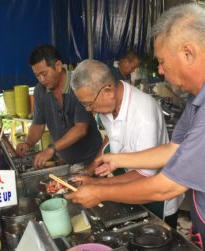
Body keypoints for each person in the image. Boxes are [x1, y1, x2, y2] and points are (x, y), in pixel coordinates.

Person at [66, 4, 205, 251]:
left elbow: (167, 187)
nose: (161, 70)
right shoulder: (203, 96)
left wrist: (99, 190)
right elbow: (173, 149)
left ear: (188, 52)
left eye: (163, 61)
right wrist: (118, 159)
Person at [70, 59, 183, 229]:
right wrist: (91, 168)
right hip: (125, 185)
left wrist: (97, 186)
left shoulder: (144, 115)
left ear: (108, 91)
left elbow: (145, 174)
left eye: (88, 104)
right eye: (84, 104)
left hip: (156, 199)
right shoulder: (107, 107)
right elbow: (112, 135)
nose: (88, 110)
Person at [16, 44, 102, 169]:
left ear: (57, 66)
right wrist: (28, 143)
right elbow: (38, 124)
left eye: (44, 73)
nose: (41, 79)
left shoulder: (79, 85)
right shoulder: (40, 91)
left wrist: (51, 149)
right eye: (37, 75)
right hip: (67, 161)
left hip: (93, 159)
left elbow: (81, 128)